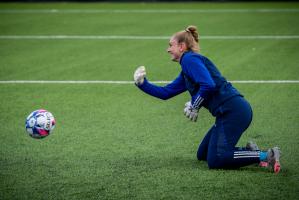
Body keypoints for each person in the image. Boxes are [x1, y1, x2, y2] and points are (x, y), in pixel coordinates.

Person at [133, 25, 281, 173]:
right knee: (203, 154)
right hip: (229, 113)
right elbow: (166, 92)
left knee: (216, 159)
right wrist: (142, 84)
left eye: (171, 45)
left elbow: (208, 85)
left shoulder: (189, 59)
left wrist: (194, 105)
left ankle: (267, 155)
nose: (168, 49)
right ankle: (249, 151)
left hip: (233, 112)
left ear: (182, 46)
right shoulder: (187, 67)